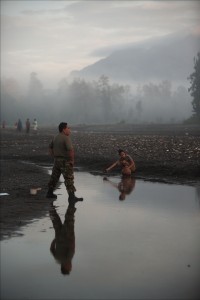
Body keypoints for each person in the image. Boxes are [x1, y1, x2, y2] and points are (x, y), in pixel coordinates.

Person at [46, 122, 83, 202]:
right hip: (65, 161)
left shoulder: (55, 137)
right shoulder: (66, 138)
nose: (69, 129)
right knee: (69, 178)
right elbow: (71, 150)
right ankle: (72, 197)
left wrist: (54, 156)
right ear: (63, 129)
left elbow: (50, 147)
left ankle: (49, 193)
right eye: (68, 128)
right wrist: (72, 161)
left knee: (54, 177)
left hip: (56, 161)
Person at [49, 202, 77, 275]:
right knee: (55, 219)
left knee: (69, 218)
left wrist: (71, 236)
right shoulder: (58, 259)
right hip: (58, 236)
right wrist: (55, 239)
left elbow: (72, 247)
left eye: (69, 268)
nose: (71, 266)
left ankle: (72, 202)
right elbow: (51, 249)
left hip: (67, 235)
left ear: (65, 267)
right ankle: (49, 205)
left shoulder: (68, 259)